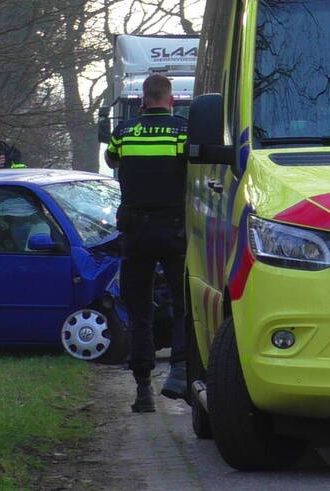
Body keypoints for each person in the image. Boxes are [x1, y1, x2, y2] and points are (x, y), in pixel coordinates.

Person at [105, 73, 188, 413]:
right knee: (184, 306)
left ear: (143, 100)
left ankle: (143, 390)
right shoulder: (182, 130)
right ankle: (180, 372)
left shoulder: (124, 132)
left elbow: (112, 160)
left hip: (135, 231)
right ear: (170, 100)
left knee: (139, 311)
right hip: (174, 229)